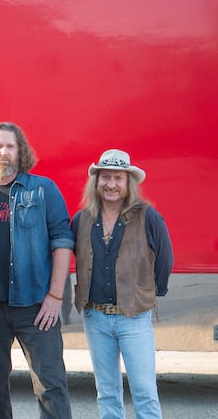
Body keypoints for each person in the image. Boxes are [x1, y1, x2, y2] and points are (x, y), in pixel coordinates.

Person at [0, 122, 74, 419]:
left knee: (50, 386)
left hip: (37, 306)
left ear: (20, 151)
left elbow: (63, 242)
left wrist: (55, 296)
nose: (3, 152)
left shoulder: (43, 190)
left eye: (10, 146)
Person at [71, 149, 173, 419]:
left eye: (118, 178)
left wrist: (149, 293)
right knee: (106, 392)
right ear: (96, 181)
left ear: (129, 183)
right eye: (105, 177)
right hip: (95, 317)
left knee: (144, 392)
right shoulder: (81, 220)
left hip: (134, 318)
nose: (111, 184)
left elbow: (165, 260)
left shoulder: (148, 217)